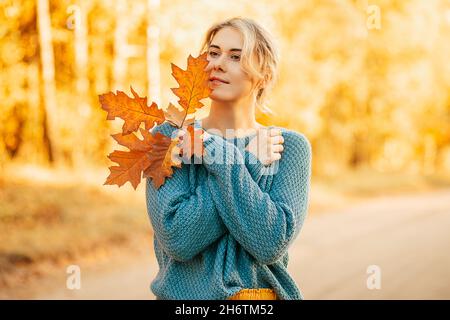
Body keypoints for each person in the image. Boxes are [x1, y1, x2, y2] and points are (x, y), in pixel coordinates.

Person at [145, 17, 312, 300]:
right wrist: (246, 163)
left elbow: (271, 242)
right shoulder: (171, 138)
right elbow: (179, 238)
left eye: (236, 56)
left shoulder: (288, 147)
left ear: (265, 74)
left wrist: (216, 155)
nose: (218, 63)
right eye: (213, 52)